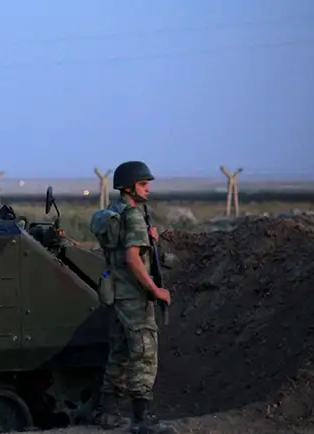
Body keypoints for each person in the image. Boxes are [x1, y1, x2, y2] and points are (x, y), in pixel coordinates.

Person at [91, 160, 177, 434]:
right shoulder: (134, 217)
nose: (147, 188)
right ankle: (141, 418)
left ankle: (108, 413)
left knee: (119, 353)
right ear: (129, 187)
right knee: (144, 352)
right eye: (142, 184)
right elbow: (132, 259)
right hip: (134, 296)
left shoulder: (113, 213)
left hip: (115, 293)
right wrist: (155, 290)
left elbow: (118, 251)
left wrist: (150, 240)